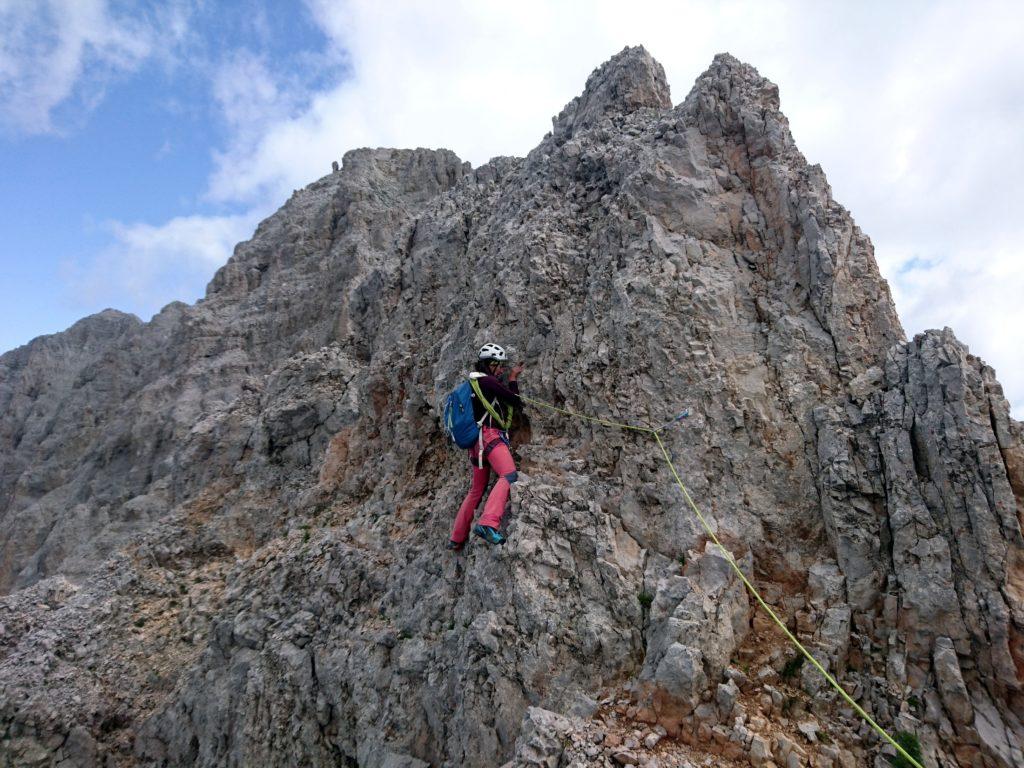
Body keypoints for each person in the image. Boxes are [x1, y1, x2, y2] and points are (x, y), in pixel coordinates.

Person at [448, 343, 524, 550]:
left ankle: (456, 537)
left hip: (476, 444)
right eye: (497, 365)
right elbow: (515, 401)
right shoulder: (487, 381)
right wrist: (512, 379)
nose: (500, 369)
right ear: (487, 365)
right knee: (509, 475)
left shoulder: (474, 383)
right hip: (491, 437)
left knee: (476, 490)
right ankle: (488, 523)